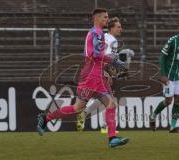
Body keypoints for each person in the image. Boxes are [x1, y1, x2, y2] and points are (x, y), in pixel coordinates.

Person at [37, 8, 129, 148]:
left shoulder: (98, 34)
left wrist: (111, 63)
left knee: (111, 104)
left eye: (107, 17)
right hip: (91, 76)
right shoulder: (96, 33)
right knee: (78, 107)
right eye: (104, 17)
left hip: (98, 76)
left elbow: (98, 55)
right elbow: (95, 55)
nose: (106, 20)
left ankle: (112, 138)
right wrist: (114, 61)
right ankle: (46, 118)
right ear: (97, 18)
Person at [76, 17, 122, 134]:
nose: (120, 29)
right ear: (111, 28)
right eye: (118, 27)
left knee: (105, 99)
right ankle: (103, 126)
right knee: (109, 100)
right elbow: (107, 58)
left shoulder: (103, 36)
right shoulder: (113, 41)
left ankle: (101, 124)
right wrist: (109, 74)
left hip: (92, 70)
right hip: (101, 71)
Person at [150, 19, 179, 133]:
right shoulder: (173, 40)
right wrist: (163, 74)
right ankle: (153, 115)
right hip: (168, 76)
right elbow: (162, 57)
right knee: (168, 101)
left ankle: (172, 127)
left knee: (178, 101)